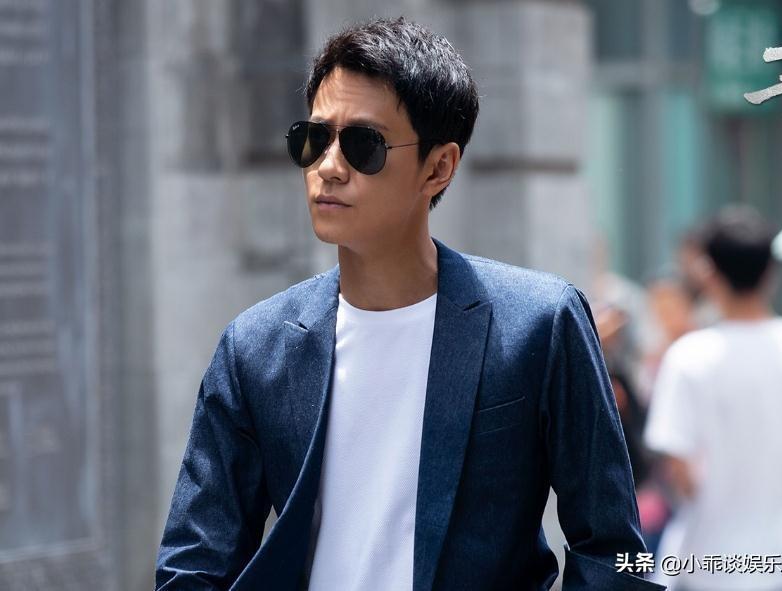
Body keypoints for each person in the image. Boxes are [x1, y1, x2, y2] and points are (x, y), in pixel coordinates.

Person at [155, 18, 663, 591]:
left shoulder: (539, 322)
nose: (329, 166)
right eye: (314, 138)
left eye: (363, 145)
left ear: (438, 167)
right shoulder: (256, 346)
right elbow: (194, 564)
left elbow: (613, 552)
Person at [644, 207, 782, 590]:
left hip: (714, 564)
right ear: (770, 273)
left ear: (708, 274)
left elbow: (679, 471)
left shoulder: (689, 357)